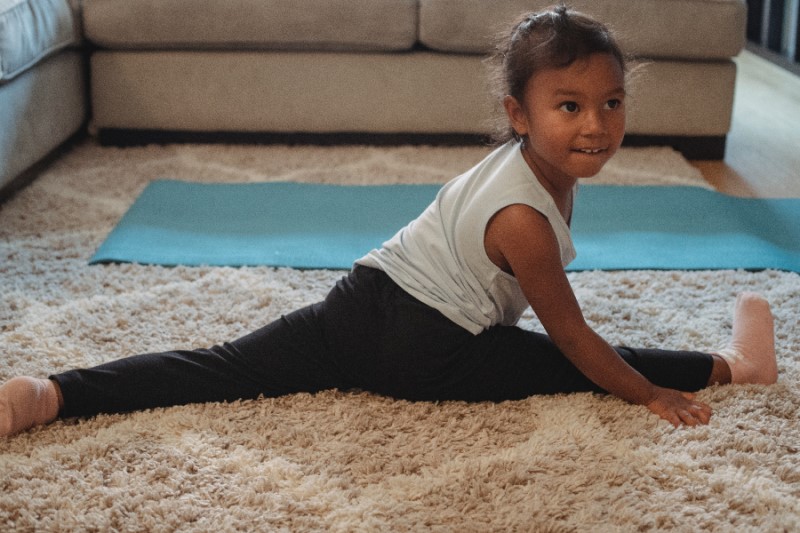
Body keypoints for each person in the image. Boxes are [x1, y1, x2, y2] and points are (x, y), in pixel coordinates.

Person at [0, 5, 778, 438]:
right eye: (568, 106)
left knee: (221, 366)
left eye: (611, 103)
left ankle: (48, 394)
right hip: (428, 350)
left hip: (359, 300)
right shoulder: (525, 221)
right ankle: (734, 368)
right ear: (518, 112)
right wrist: (645, 394)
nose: (596, 125)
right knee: (571, 361)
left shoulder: (517, 165)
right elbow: (574, 338)